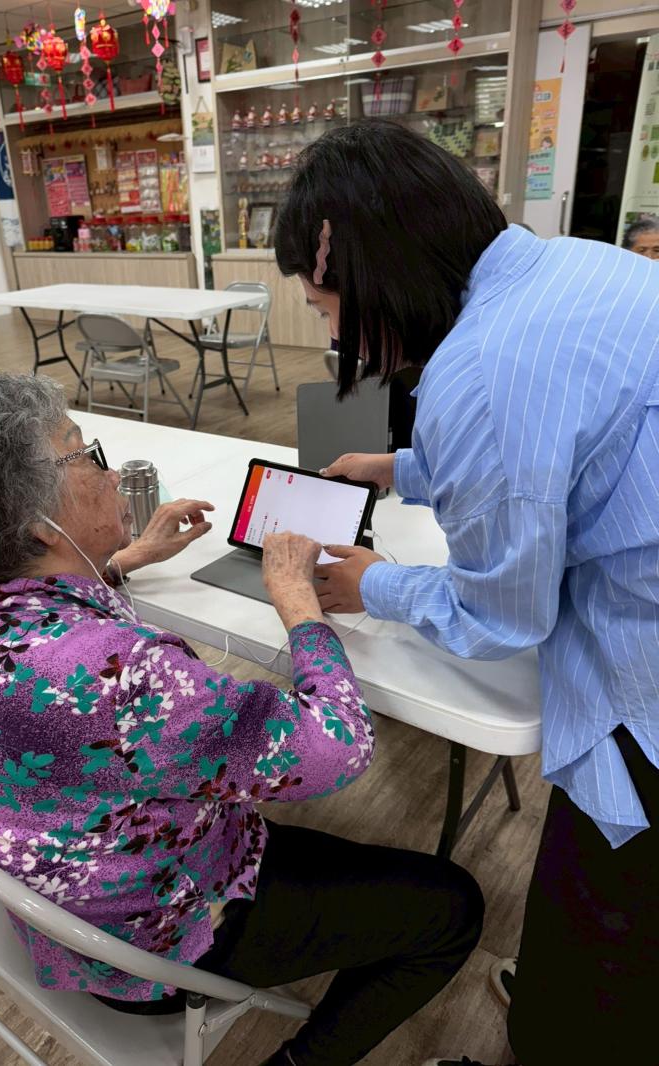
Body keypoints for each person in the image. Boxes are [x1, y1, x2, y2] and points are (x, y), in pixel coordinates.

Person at [0, 372, 483, 1066]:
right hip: (155, 944)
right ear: (37, 524)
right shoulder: (130, 675)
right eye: (86, 454)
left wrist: (119, 560)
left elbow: (59, 648)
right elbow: (338, 748)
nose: (112, 473)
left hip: (53, 913)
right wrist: (298, 601)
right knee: (453, 907)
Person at [274, 119, 659, 1066]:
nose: (334, 334)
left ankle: (571, 1030)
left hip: (642, 683)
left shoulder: (478, 373)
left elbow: (503, 614)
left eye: (325, 307)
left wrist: (375, 584)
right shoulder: (571, 265)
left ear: (372, 273)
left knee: (610, 904)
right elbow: (559, 447)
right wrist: (404, 466)